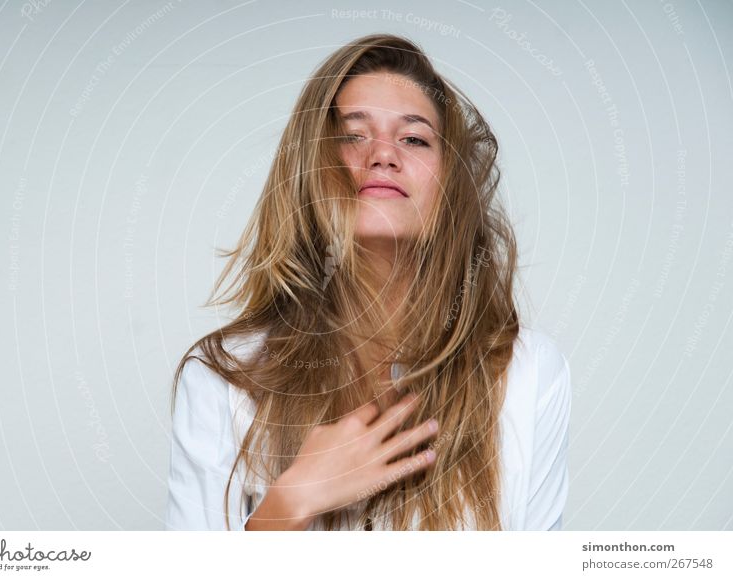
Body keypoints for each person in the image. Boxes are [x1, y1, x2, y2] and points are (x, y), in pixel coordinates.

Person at [165, 33, 572, 531]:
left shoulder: (529, 374)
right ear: (309, 171)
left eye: (414, 138)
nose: (383, 155)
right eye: (353, 134)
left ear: (451, 187)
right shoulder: (221, 379)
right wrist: (288, 506)